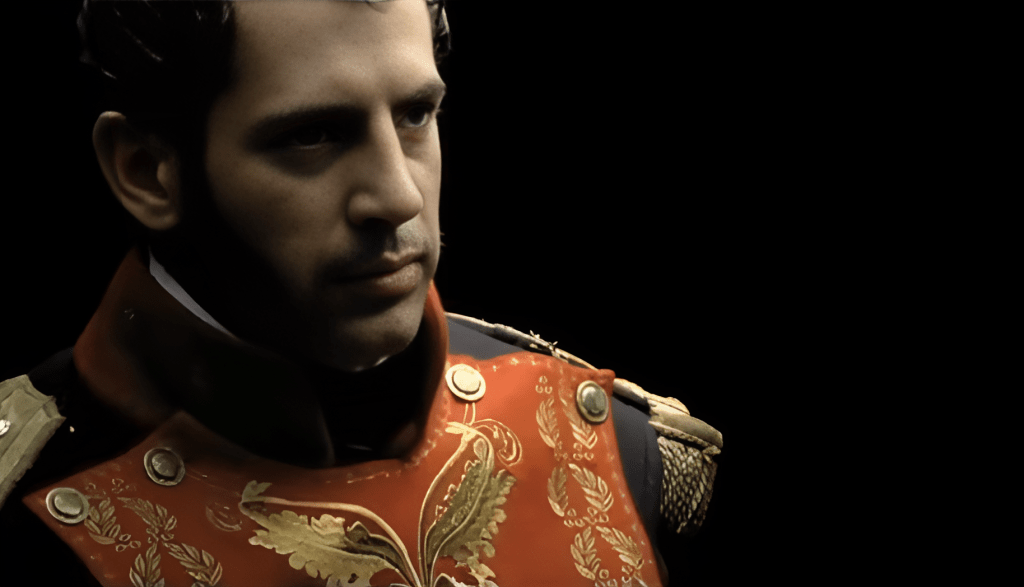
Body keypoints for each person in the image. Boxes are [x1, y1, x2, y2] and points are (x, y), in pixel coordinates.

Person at [0, 1, 722, 585]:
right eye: (313, 135)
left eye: (416, 115)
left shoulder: (607, 448)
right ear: (146, 170)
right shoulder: (25, 512)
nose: (400, 196)